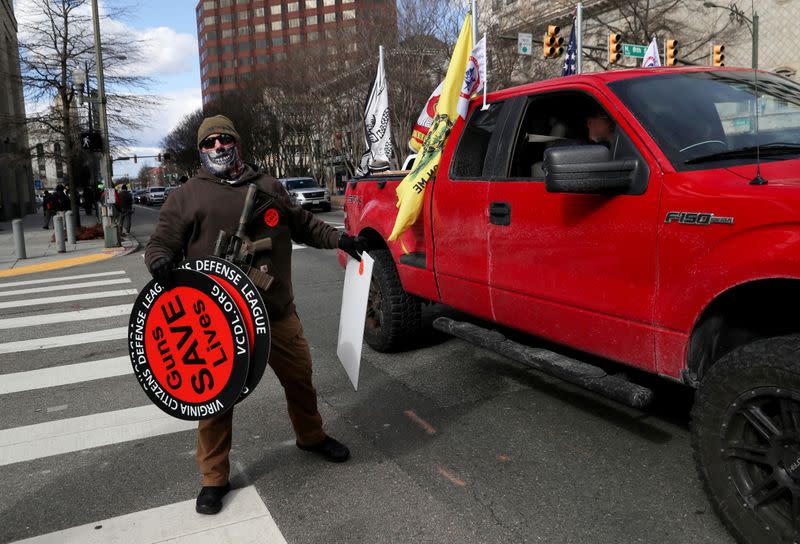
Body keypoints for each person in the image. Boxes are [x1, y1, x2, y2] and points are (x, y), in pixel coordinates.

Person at [145, 115, 368, 516]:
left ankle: (311, 436)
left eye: (224, 139)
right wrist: (160, 260)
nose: (218, 147)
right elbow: (161, 242)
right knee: (214, 399)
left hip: (276, 311)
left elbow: (304, 225)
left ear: (237, 144)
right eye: (210, 142)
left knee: (300, 380)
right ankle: (214, 478)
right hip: (218, 320)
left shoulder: (267, 186)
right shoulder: (186, 196)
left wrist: (341, 238)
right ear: (201, 150)